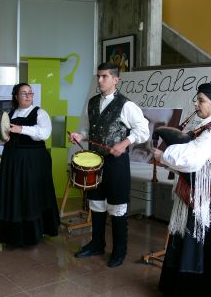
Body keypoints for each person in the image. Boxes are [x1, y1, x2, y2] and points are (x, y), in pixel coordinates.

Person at [152, 83, 211, 296]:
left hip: (203, 198)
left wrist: (164, 156)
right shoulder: (204, 126)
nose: (196, 104)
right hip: (192, 193)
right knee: (186, 239)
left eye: (201, 100)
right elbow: (187, 147)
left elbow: (192, 158)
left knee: (198, 242)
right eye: (196, 100)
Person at [69, 62, 149, 268]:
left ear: (116, 79)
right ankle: (97, 244)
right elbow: (87, 128)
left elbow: (143, 130)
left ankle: (119, 251)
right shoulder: (92, 102)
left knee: (117, 207)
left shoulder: (126, 105)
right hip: (95, 161)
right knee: (95, 203)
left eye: (104, 76)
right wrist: (80, 134)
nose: (100, 80)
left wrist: (124, 143)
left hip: (116, 163)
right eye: (98, 76)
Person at [0, 83, 60, 246]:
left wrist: (21, 129)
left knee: (31, 194)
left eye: (30, 93)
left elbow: (44, 134)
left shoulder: (40, 113)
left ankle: (33, 233)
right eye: (24, 93)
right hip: (12, 161)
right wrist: (4, 137)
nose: (29, 96)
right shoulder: (8, 114)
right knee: (14, 194)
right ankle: (11, 234)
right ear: (16, 96)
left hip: (33, 161)